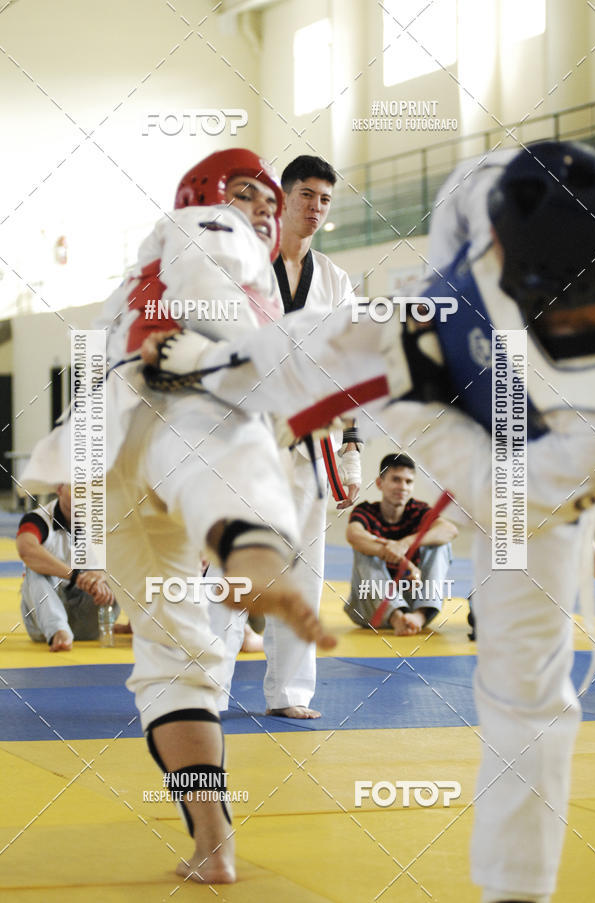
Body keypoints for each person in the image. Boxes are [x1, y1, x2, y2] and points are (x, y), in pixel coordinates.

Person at [153, 139, 595, 902]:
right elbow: (312, 349)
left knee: (530, 682)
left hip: (537, 457)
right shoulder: (460, 240)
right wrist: (193, 368)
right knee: (325, 357)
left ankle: (516, 890)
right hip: (438, 357)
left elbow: (509, 496)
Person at [22, 148, 335, 885]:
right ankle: (251, 556)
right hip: (181, 392)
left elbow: (105, 354)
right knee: (221, 464)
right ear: (208, 193)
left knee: (174, 657)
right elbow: (206, 280)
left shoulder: (135, 276)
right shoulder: (204, 227)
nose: (262, 210)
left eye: (269, 201)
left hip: (114, 448)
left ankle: (211, 841)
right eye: (248, 193)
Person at [210, 154, 361, 719]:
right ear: (283, 198)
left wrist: (352, 447)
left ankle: (291, 693)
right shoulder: (243, 269)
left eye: (325, 199)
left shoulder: (336, 280)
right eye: (306, 195)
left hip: (312, 446)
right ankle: (206, 689)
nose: (315, 208)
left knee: (303, 569)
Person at [345, 452, 456, 635]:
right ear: (380, 483)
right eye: (396, 480)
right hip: (370, 606)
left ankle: (418, 617)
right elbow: (353, 535)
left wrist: (406, 543)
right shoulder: (366, 511)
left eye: (408, 481)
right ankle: (396, 616)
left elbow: (450, 530)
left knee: (441, 544)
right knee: (363, 547)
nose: (402, 487)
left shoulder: (417, 510)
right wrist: (405, 561)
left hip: (412, 602)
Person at [17, 483, 117, 651]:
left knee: (134, 561)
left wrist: (101, 576)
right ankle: (59, 630)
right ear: (59, 489)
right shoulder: (39, 519)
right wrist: (75, 576)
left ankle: (140, 626)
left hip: (90, 619)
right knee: (34, 569)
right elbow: (26, 549)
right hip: (43, 624)